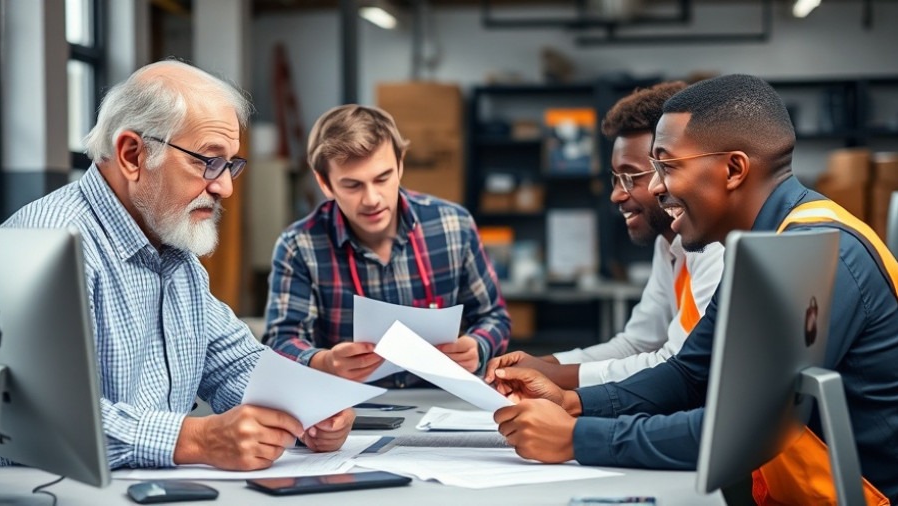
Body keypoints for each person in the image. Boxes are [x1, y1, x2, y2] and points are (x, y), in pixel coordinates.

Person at [490, 74, 898, 501]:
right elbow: (689, 374)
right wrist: (572, 402)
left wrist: (576, 438)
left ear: (733, 169)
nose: (655, 187)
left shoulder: (816, 252)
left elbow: (742, 432)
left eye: (667, 167)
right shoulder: (764, 246)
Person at [0, 60, 354, 470]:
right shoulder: (47, 243)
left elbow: (234, 363)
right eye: (208, 161)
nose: (225, 187)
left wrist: (309, 407)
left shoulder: (174, 251)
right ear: (132, 155)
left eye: (230, 165)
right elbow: (32, 416)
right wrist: (197, 439)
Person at [485, 82, 724, 389]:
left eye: (631, 177)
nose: (616, 195)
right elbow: (637, 344)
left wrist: (554, 377)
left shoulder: (713, 247)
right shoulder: (669, 245)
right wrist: (541, 365)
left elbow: (676, 365)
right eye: (615, 179)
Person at [262, 105, 510, 386]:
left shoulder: (454, 225)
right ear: (325, 183)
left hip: (443, 400)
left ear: (400, 164)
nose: (372, 199)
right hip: (350, 406)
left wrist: (478, 346)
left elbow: (494, 317)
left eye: (382, 178)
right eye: (352, 185)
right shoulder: (298, 246)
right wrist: (324, 362)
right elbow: (281, 340)